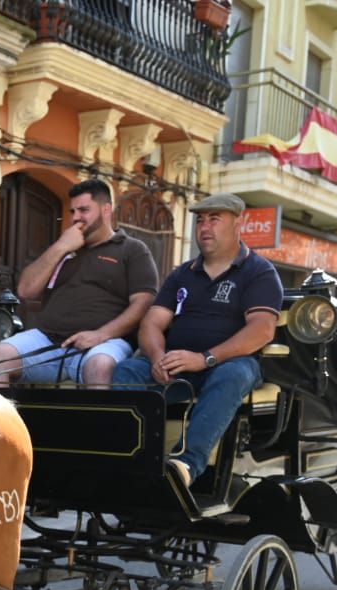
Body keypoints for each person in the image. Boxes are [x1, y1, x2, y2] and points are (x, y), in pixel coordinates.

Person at [111, 192, 284, 487]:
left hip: (227, 365)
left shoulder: (259, 272)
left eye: (214, 219)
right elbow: (152, 322)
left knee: (232, 373)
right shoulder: (182, 274)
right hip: (178, 366)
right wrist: (156, 357)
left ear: (237, 224)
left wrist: (204, 358)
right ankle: (126, 458)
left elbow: (262, 330)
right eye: (200, 220)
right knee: (126, 371)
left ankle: (187, 464)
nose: (204, 227)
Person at [0, 178, 159, 387]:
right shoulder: (64, 248)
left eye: (84, 210)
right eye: (72, 212)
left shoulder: (132, 249)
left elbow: (143, 302)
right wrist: (61, 247)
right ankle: (2, 421)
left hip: (105, 342)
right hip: (50, 340)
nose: (76, 218)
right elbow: (26, 290)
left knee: (100, 365)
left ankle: (97, 421)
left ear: (106, 210)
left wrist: (100, 335)